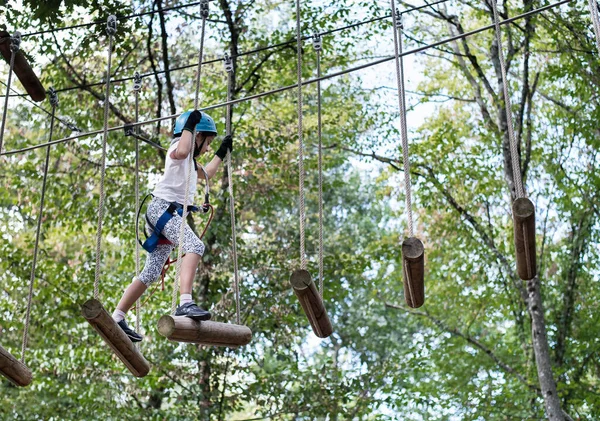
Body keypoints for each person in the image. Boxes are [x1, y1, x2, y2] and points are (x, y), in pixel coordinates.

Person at [111, 110, 232, 342]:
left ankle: (118, 315)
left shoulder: (190, 162)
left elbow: (207, 174)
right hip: (161, 210)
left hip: (167, 214)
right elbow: (184, 149)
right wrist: (189, 126)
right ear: (195, 135)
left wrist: (221, 152)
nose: (207, 149)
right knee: (195, 245)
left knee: (152, 271)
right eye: (207, 143)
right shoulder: (178, 149)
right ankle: (185, 302)